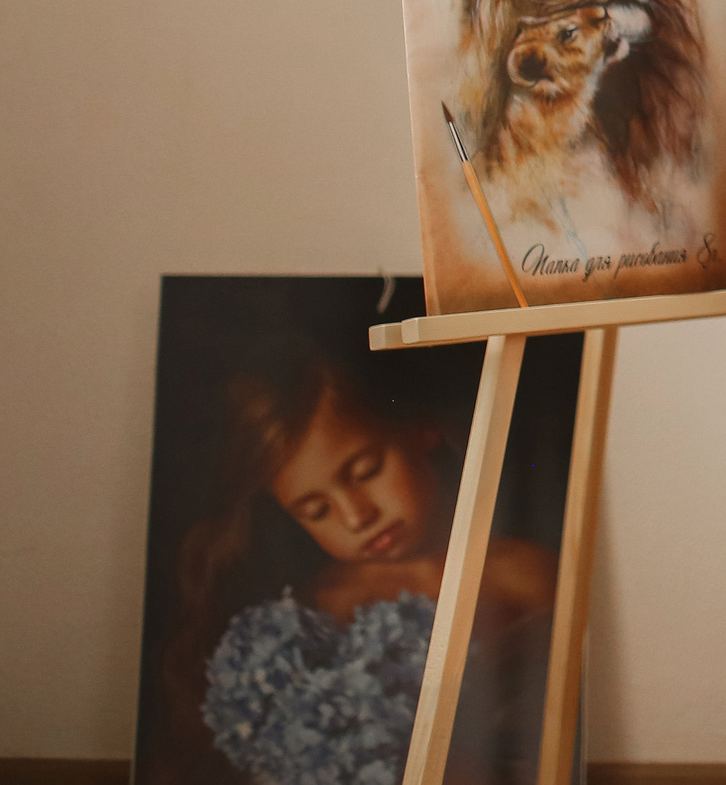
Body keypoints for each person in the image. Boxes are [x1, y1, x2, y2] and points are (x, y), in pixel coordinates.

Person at [152, 335, 555, 785]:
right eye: (316, 510)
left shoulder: (520, 572)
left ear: (420, 429)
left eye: (366, 470)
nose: (357, 515)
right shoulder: (319, 611)